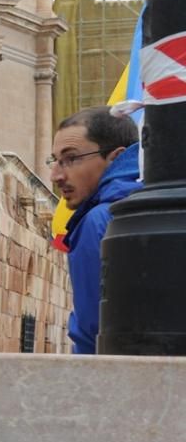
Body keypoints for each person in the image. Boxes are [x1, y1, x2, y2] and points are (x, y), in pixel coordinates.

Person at [49, 107, 141, 354]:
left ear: (115, 157)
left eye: (71, 158)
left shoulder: (97, 222)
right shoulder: (158, 207)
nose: (55, 175)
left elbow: (93, 330)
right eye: (55, 160)